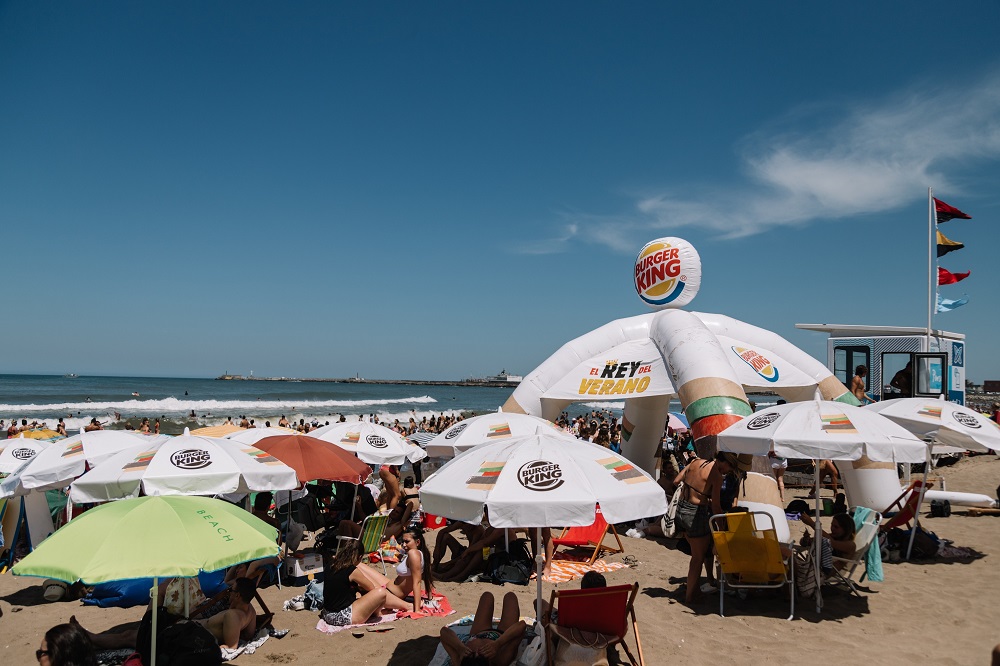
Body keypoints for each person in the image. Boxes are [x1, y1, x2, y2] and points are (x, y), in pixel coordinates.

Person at [672, 451, 738, 604]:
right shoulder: (716, 474)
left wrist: (697, 491)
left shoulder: (695, 462)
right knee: (697, 558)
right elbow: (716, 506)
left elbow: (676, 481)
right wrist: (721, 524)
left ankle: (695, 589)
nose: (727, 472)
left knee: (698, 551)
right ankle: (690, 596)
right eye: (729, 468)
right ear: (724, 461)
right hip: (695, 513)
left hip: (680, 509)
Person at [320, 541, 409, 627]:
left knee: (363, 593)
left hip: (327, 613)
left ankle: (405, 606)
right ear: (360, 557)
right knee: (380, 592)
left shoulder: (331, 564)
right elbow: (371, 588)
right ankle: (404, 607)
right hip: (341, 616)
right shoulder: (352, 570)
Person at [439, 591, 526, 666]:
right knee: (510, 597)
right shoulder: (501, 660)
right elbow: (521, 625)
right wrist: (498, 644)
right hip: (502, 633)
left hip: (479, 632)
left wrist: (459, 647)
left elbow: (444, 632)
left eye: (472, 654)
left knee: (487, 596)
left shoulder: (460, 661)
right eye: (481, 655)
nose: (478, 650)